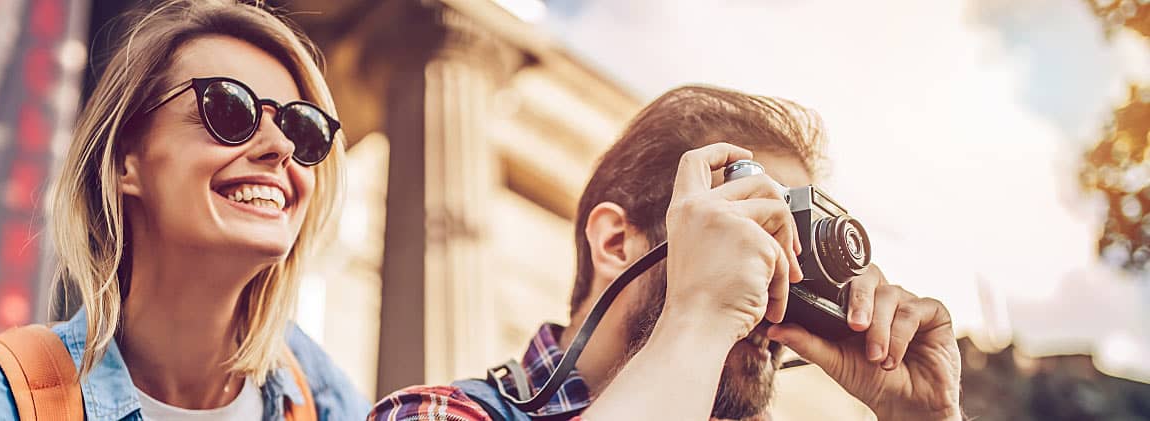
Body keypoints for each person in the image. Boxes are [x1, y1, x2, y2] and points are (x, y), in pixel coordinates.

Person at [369, 86, 962, 421]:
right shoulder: (436, 414)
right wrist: (702, 314)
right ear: (616, 243)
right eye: (752, 234)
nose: (772, 286)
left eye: (793, 246)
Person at [0, 1, 368, 419]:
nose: (282, 147)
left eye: (302, 128)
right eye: (230, 110)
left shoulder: (327, 401)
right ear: (123, 162)